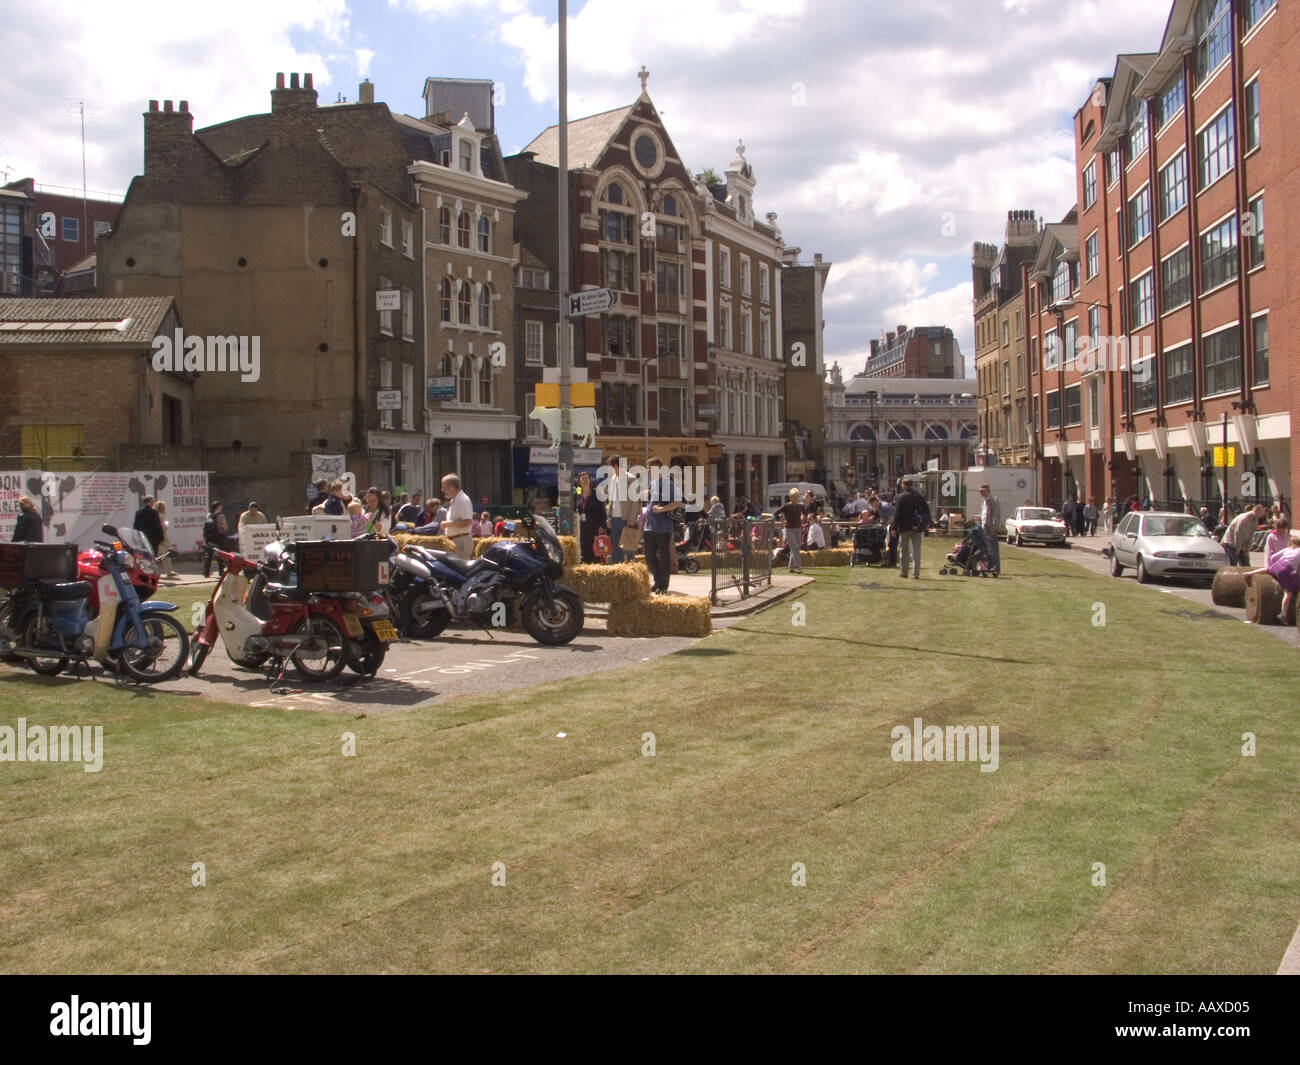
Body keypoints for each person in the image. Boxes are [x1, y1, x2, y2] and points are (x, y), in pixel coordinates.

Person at [642, 457, 681, 594]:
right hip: (649, 526)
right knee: (649, 556)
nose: (647, 470)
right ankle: (658, 581)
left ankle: (663, 586)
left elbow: (677, 502)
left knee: (664, 557)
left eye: (649, 468)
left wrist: (662, 509)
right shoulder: (653, 483)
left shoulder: (667, 483)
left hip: (663, 527)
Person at [1243, 532, 1300, 625]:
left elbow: (1273, 557)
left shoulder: (1287, 549)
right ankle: (1283, 615)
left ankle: (1250, 573)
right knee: (1288, 593)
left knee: (1268, 569)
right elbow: (1298, 569)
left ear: (1291, 543)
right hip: (1285, 569)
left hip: (1278, 564)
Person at [892, 478, 927, 579]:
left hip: (904, 526)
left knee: (904, 550)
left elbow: (897, 514)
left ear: (904, 485)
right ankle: (916, 573)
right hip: (917, 526)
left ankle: (904, 572)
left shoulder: (901, 497)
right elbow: (925, 510)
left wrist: (894, 527)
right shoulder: (919, 496)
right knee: (916, 550)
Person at [607, 458, 640, 564]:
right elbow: (611, 498)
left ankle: (629, 567)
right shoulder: (613, 478)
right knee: (616, 546)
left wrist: (632, 518)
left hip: (626, 518)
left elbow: (636, 500)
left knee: (628, 546)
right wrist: (609, 516)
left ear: (616, 466)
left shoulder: (631, 478)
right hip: (614, 518)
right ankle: (618, 567)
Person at [576, 471, 609, 563]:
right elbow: (577, 507)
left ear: (590, 480)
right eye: (583, 478)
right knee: (584, 548)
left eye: (587, 478)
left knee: (596, 549)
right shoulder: (578, 493)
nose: (585, 480)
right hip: (584, 526)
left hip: (595, 526)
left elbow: (603, 511)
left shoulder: (596, 493)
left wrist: (602, 525)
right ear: (579, 481)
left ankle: (597, 567)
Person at [441, 473, 475, 559]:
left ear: (450, 486)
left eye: (444, 487)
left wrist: (448, 524)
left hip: (461, 540)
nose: (442, 490)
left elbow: (467, 522)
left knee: (461, 566)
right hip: (456, 540)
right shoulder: (455, 500)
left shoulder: (463, 499)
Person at [774, 488, 805, 574]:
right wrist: (780, 519)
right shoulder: (786, 506)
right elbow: (776, 513)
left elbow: (805, 513)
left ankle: (791, 567)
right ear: (790, 497)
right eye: (793, 496)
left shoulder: (800, 506)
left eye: (796, 496)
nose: (795, 498)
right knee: (794, 548)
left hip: (798, 529)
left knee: (796, 548)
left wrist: (802, 519)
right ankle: (799, 567)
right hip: (789, 529)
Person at [977, 483, 1002, 575]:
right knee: (986, 549)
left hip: (991, 528)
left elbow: (996, 515)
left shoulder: (993, 500)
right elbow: (984, 514)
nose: (980, 493)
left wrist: (995, 527)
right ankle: (988, 567)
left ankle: (996, 568)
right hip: (984, 528)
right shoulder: (984, 502)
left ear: (987, 491)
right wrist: (977, 517)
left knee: (993, 549)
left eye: (982, 491)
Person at [201, 501, 228, 578]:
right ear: (218, 507)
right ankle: (221, 572)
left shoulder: (209, 515)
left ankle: (206, 572)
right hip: (218, 538)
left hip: (209, 538)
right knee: (220, 555)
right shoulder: (221, 516)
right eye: (220, 506)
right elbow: (225, 527)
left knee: (208, 555)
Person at [154, 499, 177, 577]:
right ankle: (169, 571)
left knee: (156, 555)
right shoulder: (161, 516)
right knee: (166, 555)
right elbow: (164, 527)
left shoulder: (154, 515)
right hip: (163, 538)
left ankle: (156, 572)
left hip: (155, 538)